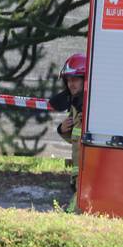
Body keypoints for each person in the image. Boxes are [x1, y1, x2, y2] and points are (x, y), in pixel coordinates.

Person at [52, 53, 86, 210]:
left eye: (75, 80)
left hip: (88, 173)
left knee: (73, 213)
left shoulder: (89, 107)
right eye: (68, 80)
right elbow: (77, 140)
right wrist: (63, 130)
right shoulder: (76, 106)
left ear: (84, 80)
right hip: (78, 175)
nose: (71, 84)